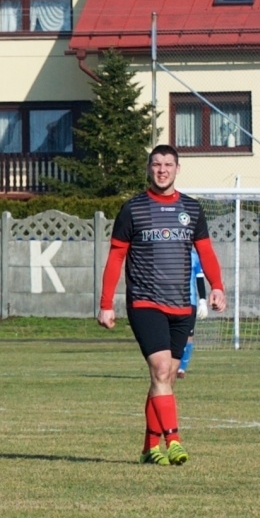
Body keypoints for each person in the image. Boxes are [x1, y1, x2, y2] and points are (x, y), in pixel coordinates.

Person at [97, 145, 227, 465]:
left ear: (177, 169)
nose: (162, 170)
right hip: (145, 302)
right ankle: (174, 440)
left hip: (181, 305)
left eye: (168, 164)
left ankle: (149, 447)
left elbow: (206, 253)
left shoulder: (192, 210)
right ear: (149, 168)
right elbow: (116, 257)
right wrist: (106, 303)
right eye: (156, 164)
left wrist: (218, 287)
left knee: (165, 376)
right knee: (159, 368)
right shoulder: (133, 209)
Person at [176, 249, 207, 379]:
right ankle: (169, 366)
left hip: (190, 302)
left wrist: (202, 301)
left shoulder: (194, 256)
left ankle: (181, 368)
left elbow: (200, 280)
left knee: (188, 336)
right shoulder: (169, 253)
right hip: (170, 301)